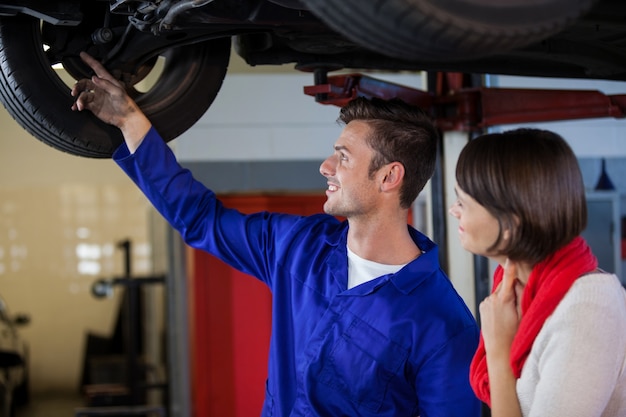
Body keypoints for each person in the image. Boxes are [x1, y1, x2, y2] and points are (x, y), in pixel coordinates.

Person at [71, 52, 480, 417]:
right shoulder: (298, 247)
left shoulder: (442, 324)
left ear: (389, 177)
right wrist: (129, 120)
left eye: (343, 157)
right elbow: (199, 218)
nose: (325, 166)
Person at [448, 128, 626, 417]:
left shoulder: (589, 307)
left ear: (510, 226)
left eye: (463, 202)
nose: (453, 210)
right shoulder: (515, 287)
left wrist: (499, 352)